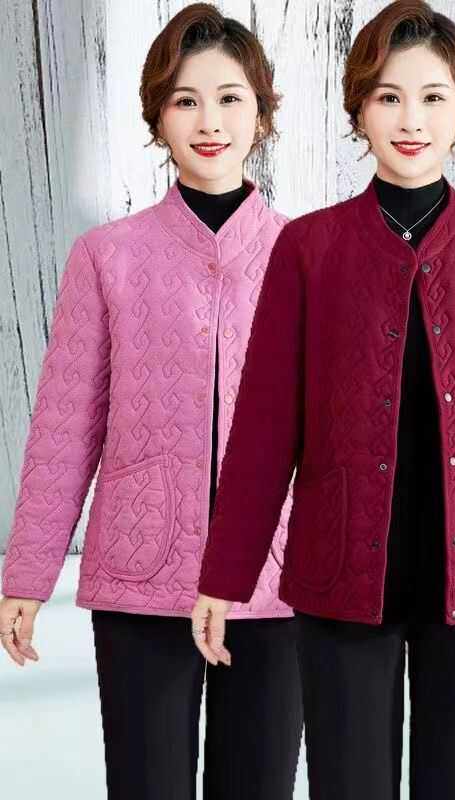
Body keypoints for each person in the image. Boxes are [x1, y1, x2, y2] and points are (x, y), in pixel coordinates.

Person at [191, 2, 455, 799]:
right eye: (388, 97)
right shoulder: (310, 247)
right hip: (340, 574)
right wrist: (224, 577)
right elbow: (263, 432)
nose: (411, 119)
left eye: (432, 97)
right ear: (359, 110)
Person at [0, 5, 302, 798]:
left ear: (262, 113)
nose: (210, 122)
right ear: (157, 117)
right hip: (142, 579)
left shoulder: (307, 256)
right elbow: (65, 427)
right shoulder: (109, 257)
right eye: (185, 100)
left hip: (276, 584)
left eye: (230, 98)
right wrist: (27, 575)